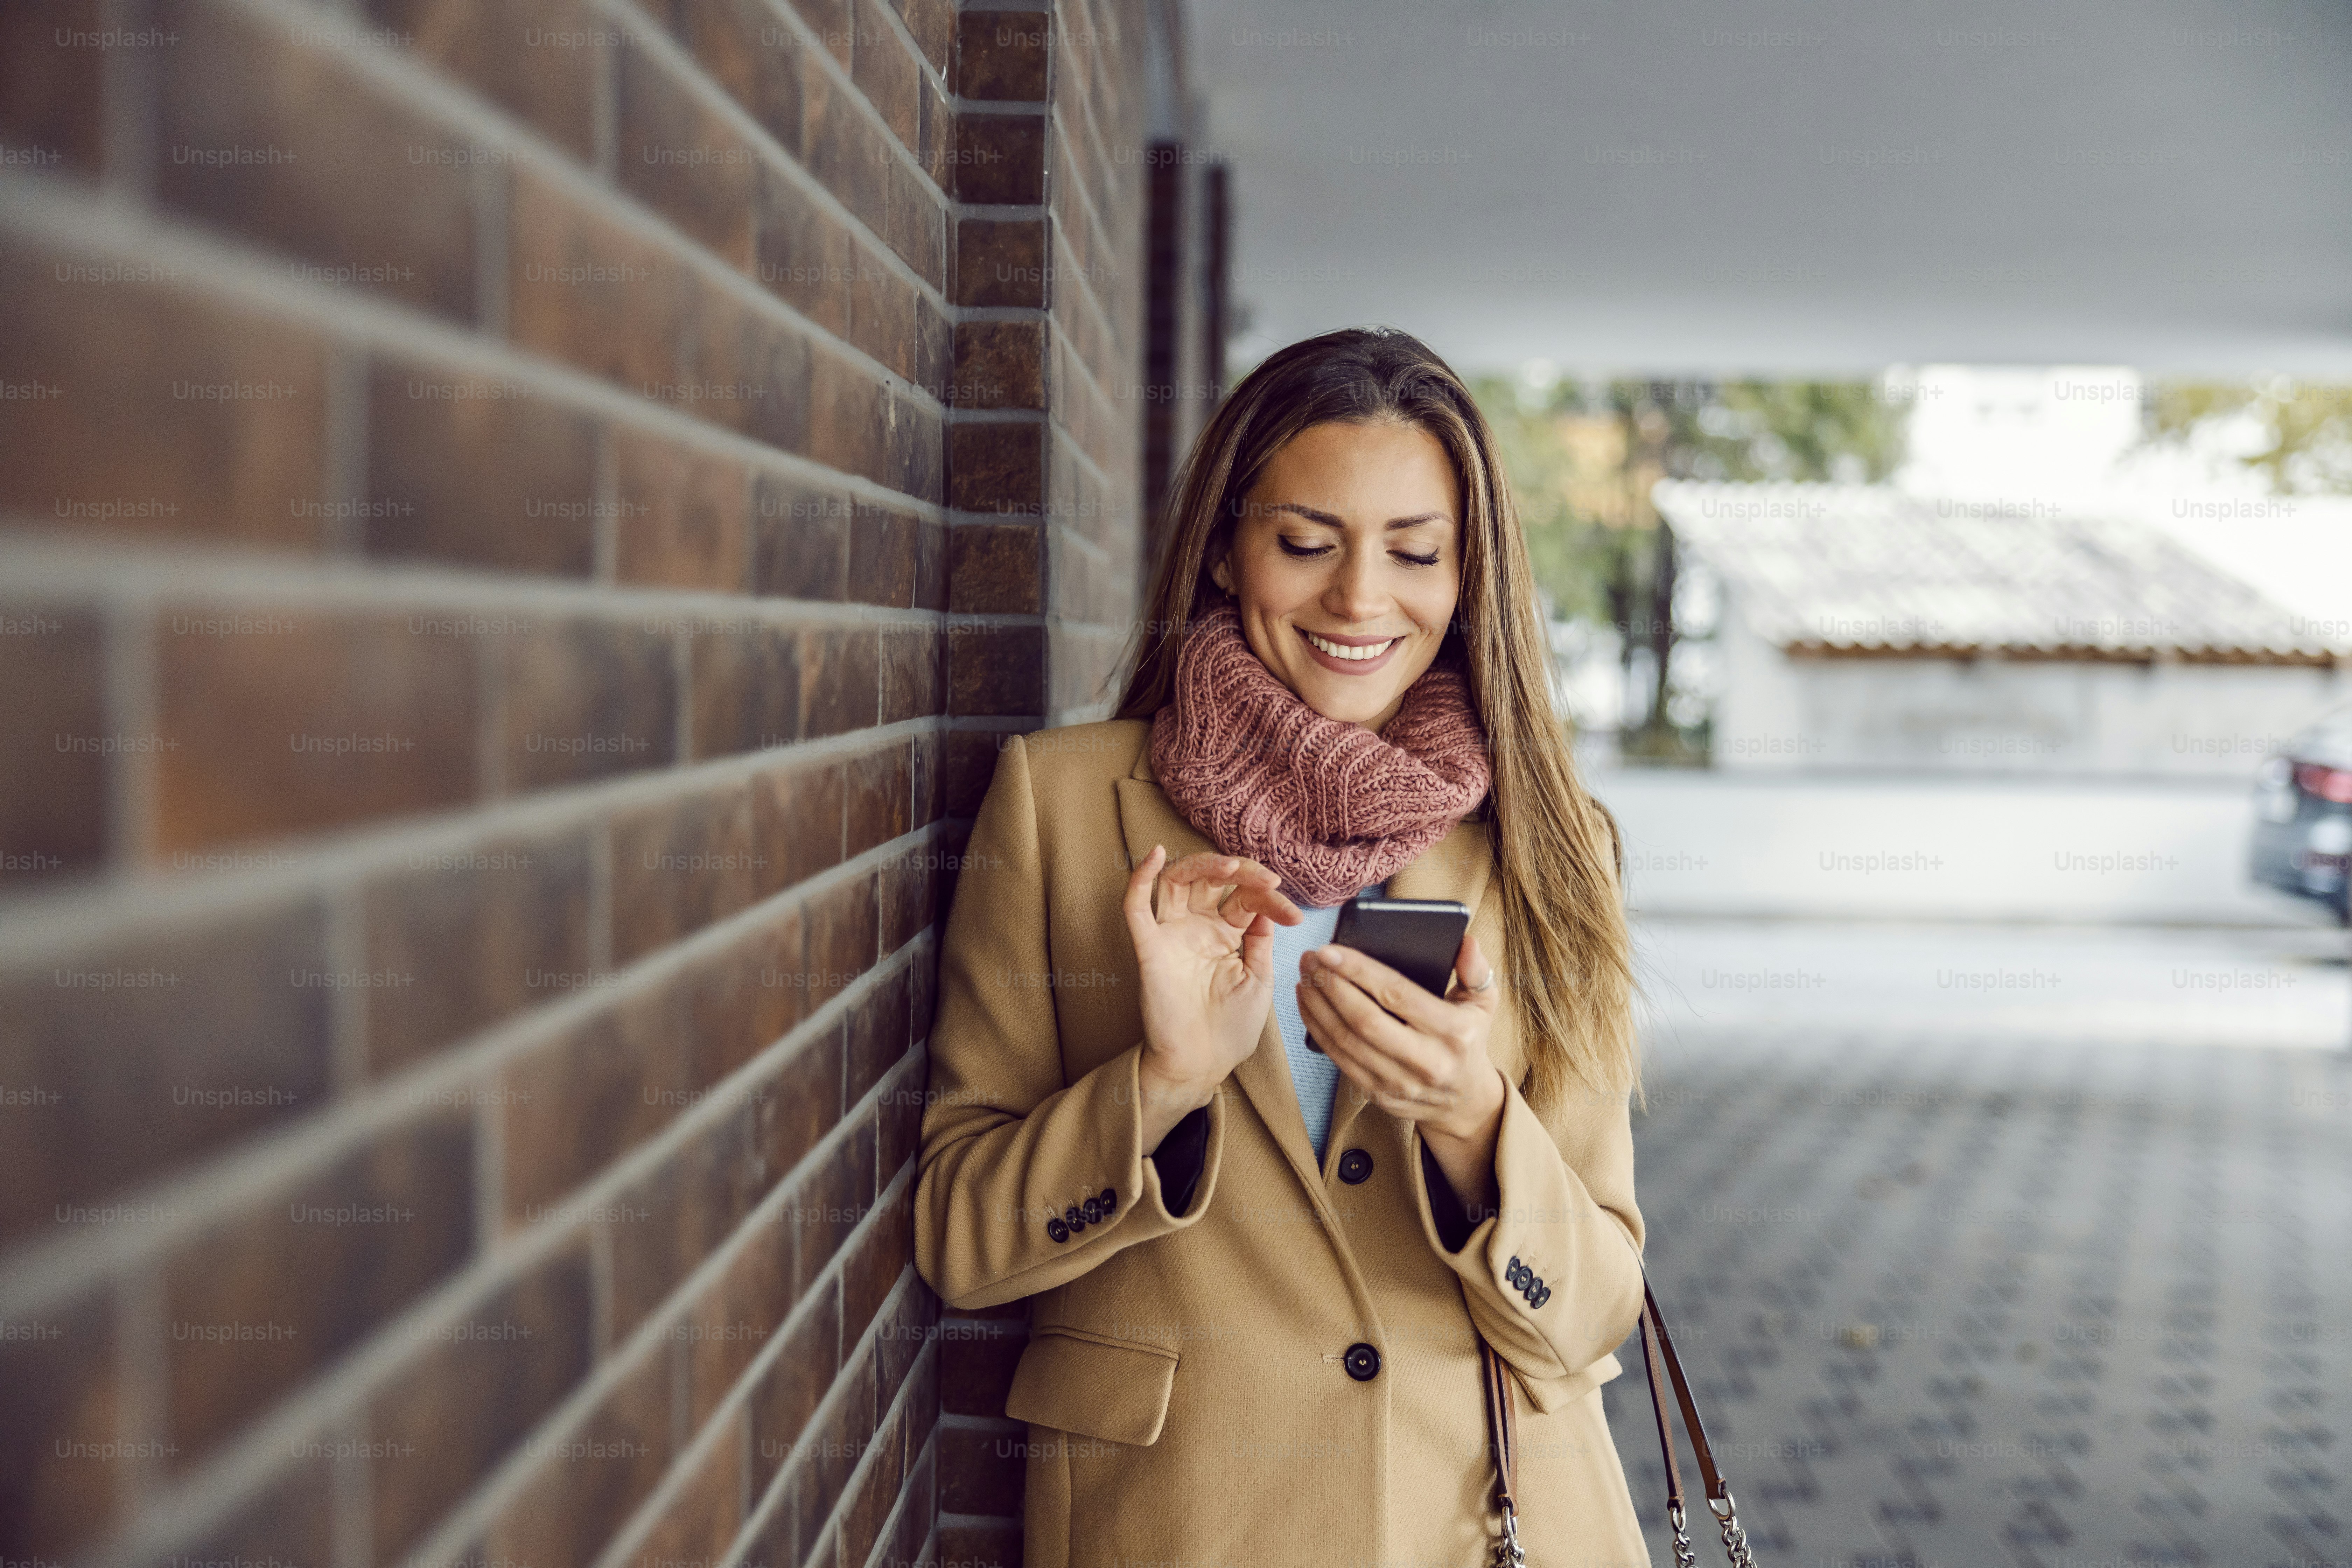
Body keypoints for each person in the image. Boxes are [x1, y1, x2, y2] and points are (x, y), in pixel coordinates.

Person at [914, 327, 1650, 1566]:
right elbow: (962, 1242)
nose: (1361, 599)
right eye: (1306, 543)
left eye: (1415, 553)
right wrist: (1160, 1088)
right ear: (1223, 546)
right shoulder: (1057, 803)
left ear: (1469, 576)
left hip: (1487, 1523)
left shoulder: (1549, 840)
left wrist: (1473, 1120)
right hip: (1185, 1523)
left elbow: (1590, 1315)